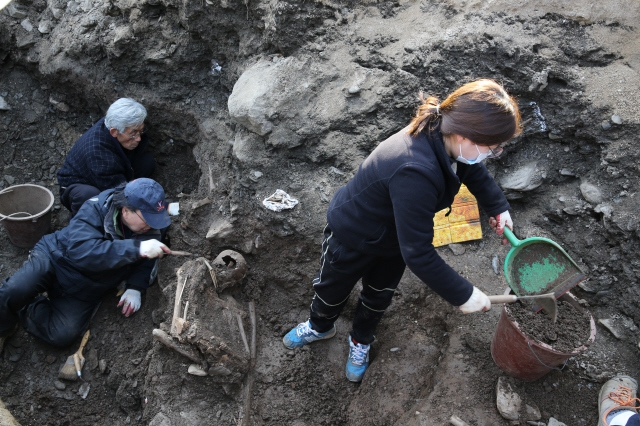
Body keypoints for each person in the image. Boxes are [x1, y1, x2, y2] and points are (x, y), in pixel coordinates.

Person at [282, 79, 521, 382]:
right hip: (353, 235)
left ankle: (361, 340)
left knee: (378, 295)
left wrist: (497, 206)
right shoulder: (415, 169)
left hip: (394, 240)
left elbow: (473, 169)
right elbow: (419, 253)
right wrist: (463, 294)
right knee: (332, 288)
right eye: (492, 148)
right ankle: (320, 326)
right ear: (465, 134)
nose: (493, 153)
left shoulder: (446, 137)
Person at [0, 178, 171, 352]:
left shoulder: (154, 224)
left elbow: (147, 259)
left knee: (62, 334)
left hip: (89, 286)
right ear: (126, 210)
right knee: (15, 289)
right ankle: (3, 328)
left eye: (155, 219)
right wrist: (137, 248)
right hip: (56, 257)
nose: (151, 225)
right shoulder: (95, 208)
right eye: (147, 219)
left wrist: (135, 287)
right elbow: (82, 252)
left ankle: (25, 308)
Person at [57, 98, 156, 218]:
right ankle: (82, 221)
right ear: (114, 132)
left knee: (147, 163)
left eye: (141, 131)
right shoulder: (99, 153)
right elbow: (119, 193)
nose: (138, 138)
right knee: (90, 196)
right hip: (78, 187)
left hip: (106, 172)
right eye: (133, 133)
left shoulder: (115, 121)